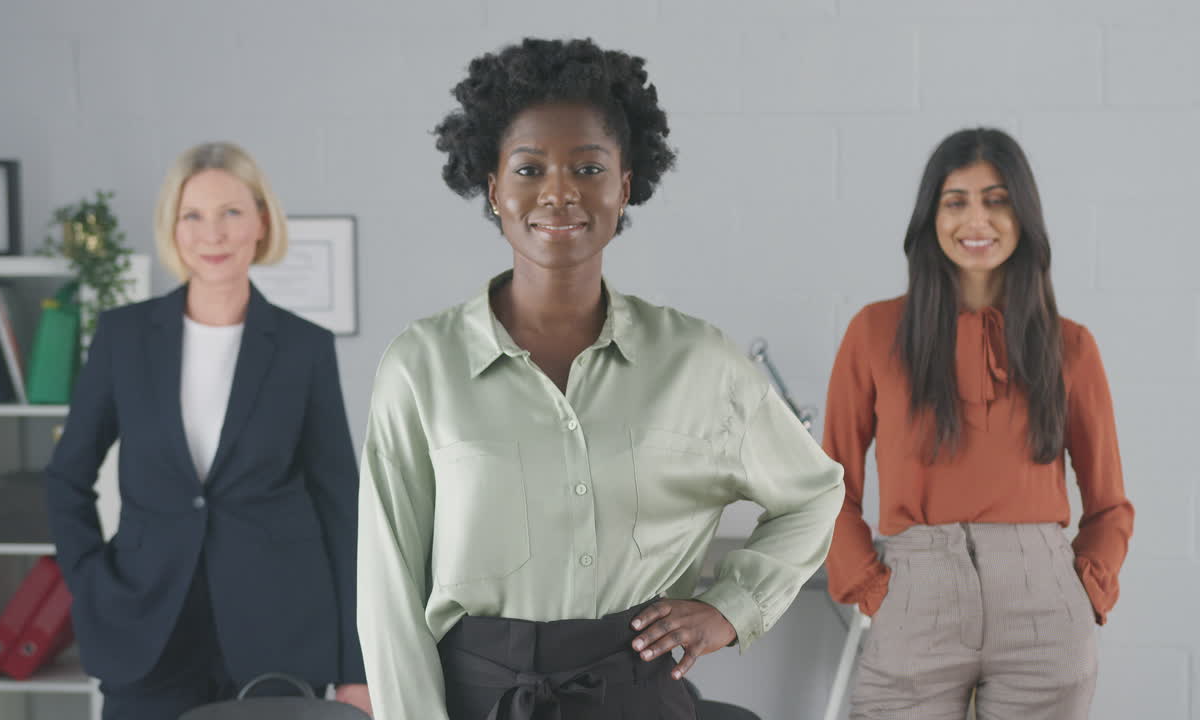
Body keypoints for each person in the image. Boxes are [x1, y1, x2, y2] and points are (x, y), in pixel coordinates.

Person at [356, 38, 845, 720]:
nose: (559, 192)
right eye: (529, 169)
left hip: (639, 696)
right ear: (494, 189)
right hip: (475, 701)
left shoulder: (700, 362)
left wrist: (730, 608)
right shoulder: (421, 366)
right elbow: (388, 590)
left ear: (624, 185)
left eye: (588, 167)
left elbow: (814, 493)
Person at [45, 142, 370, 719]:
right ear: (172, 227)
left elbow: (340, 506)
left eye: (231, 213)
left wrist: (356, 667)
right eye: (192, 215)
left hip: (278, 633)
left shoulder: (303, 347)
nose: (211, 233)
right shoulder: (123, 338)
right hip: (145, 627)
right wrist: (90, 581)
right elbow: (67, 475)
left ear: (261, 222)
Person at [823, 128, 1134, 719]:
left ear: (1023, 216)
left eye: (996, 200)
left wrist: (1086, 590)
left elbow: (1110, 505)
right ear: (930, 217)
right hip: (916, 596)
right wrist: (871, 589)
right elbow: (827, 486)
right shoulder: (874, 333)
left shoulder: (1071, 347)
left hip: (1044, 609)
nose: (977, 220)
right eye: (956, 201)